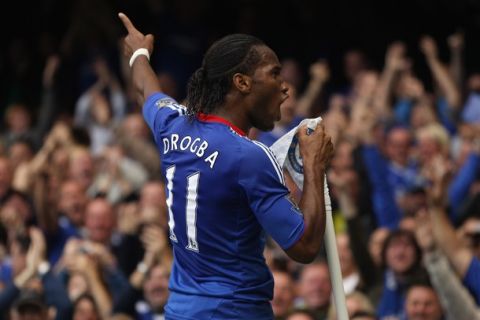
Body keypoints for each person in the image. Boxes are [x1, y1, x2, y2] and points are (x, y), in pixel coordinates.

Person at [118, 12, 334, 320]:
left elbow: (146, 90)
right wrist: (314, 163)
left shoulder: (172, 125)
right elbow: (305, 246)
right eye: (274, 74)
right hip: (235, 311)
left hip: (180, 311)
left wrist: (139, 53)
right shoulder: (249, 157)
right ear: (242, 82)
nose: (285, 87)